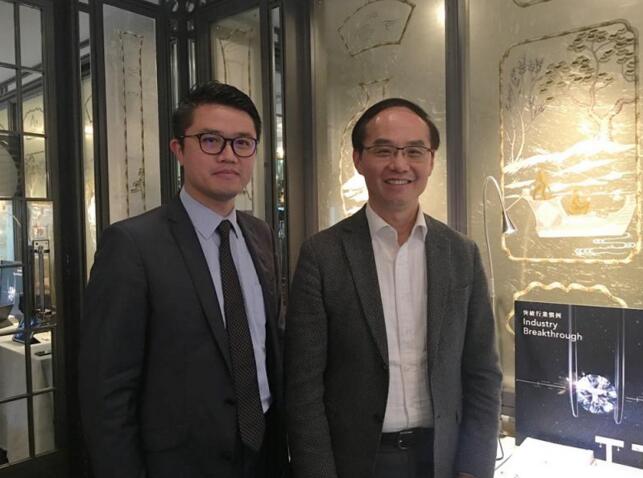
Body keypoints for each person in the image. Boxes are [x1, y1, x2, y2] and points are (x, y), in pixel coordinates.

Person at [79, 81, 287, 478]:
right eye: (211, 140)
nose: (229, 155)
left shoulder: (260, 234)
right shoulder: (132, 245)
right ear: (178, 149)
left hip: (264, 453)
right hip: (179, 463)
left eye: (243, 143)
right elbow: (107, 393)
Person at [285, 98, 502, 478]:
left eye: (414, 151)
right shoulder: (322, 255)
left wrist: (473, 467)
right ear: (358, 159)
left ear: (431, 161)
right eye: (383, 150)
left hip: (442, 459)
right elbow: (304, 386)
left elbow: (482, 371)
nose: (399, 164)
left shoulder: (460, 254)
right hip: (357, 462)